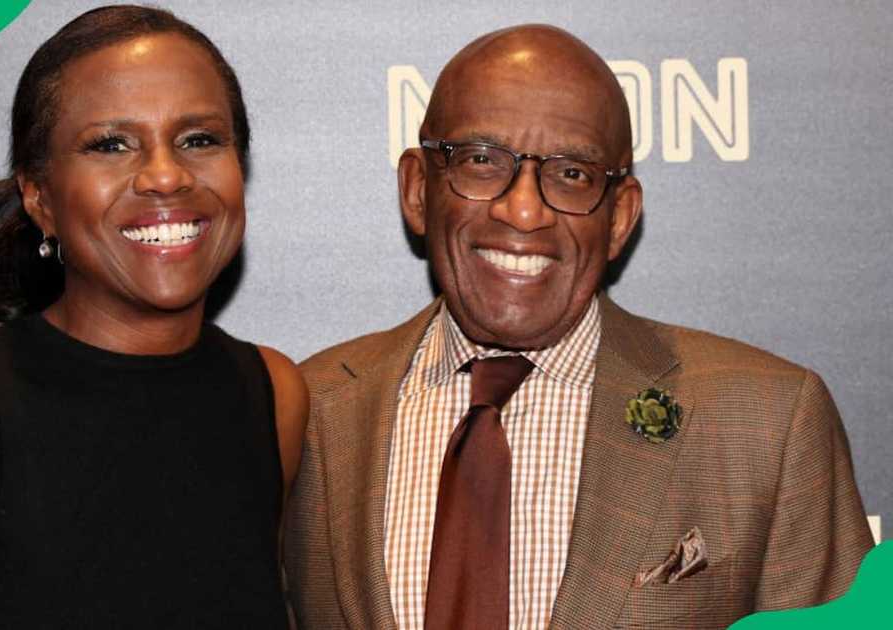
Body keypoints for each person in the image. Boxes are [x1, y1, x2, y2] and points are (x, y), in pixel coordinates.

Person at [283, 24, 872, 630]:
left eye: (571, 174)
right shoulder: (308, 413)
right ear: (416, 189)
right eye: (481, 161)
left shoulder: (768, 422)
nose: (524, 209)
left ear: (619, 217)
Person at [0, 6, 306, 628]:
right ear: (40, 197)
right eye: (111, 144)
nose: (166, 175)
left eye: (199, 139)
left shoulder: (274, 393)